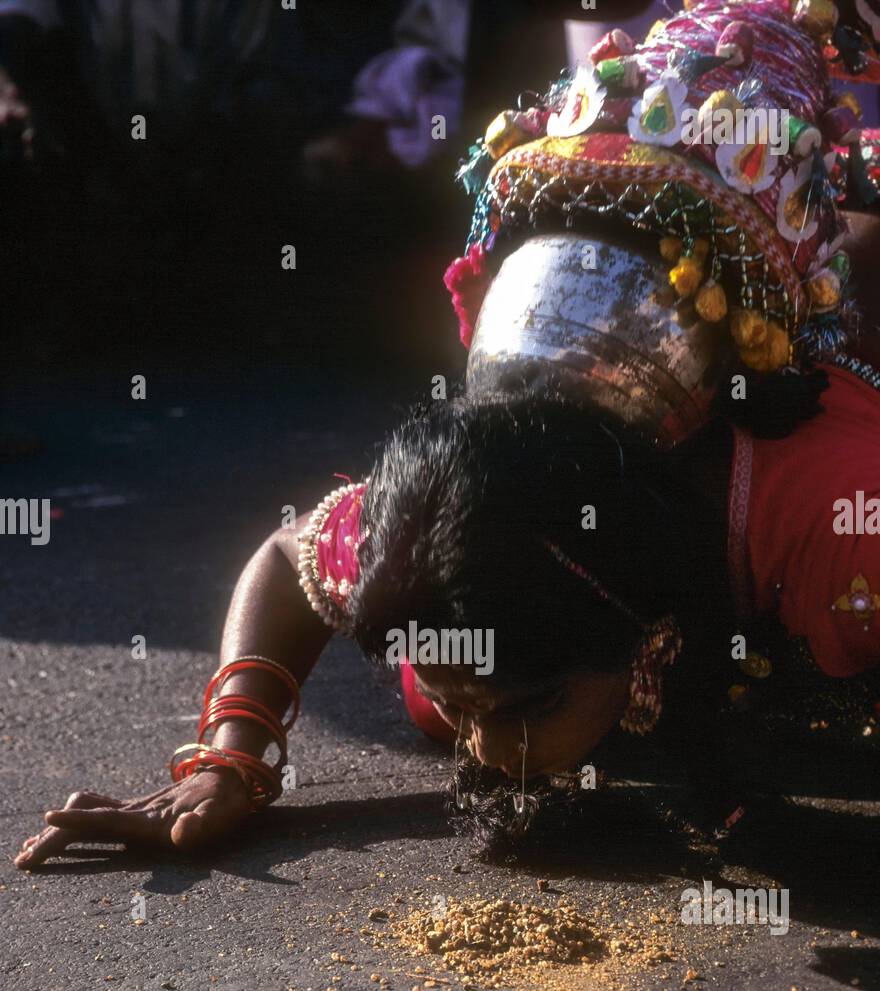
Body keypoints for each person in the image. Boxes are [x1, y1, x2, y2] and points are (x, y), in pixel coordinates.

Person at [15, 0, 880, 869]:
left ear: (639, 621)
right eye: (467, 709)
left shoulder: (829, 526)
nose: (490, 757)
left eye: (529, 708)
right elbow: (288, 561)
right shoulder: (461, 559)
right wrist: (230, 757)